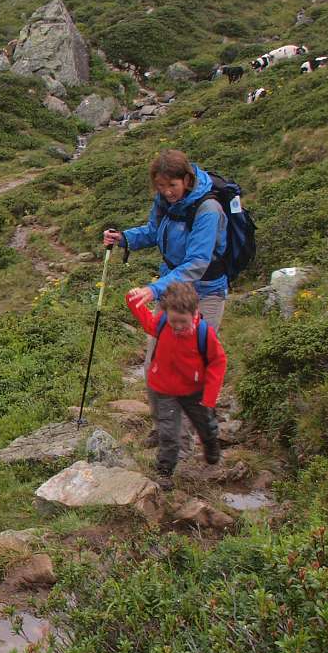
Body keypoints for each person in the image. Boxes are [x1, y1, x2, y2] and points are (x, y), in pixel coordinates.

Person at [103, 148, 229, 444]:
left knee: (190, 367)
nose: (167, 192)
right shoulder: (164, 201)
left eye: (172, 185)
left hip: (205, 292)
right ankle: (165, 428)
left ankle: (185, 438)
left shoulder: (208, 210)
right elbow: (154, 231)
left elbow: (197, 263)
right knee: (155, 364)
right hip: (171, 290)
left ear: (186, 179)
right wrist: (125, 238)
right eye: (160, 186)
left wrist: (154, 289)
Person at [125, 281, 226, 489]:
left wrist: (209, 399)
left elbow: (217, 363)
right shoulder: (162, 323)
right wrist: (133, 298)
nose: (178, 326)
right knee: (168, 433)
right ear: (166, 313)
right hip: (165, 390)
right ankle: (164, 472)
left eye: (183, 322)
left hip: (194, 390)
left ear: (194, 313)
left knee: (205, 425)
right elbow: (145, 320)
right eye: (174, 321)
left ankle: (211, 448)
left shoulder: (204, 333)